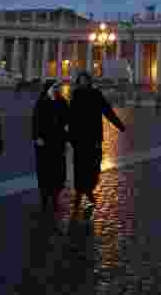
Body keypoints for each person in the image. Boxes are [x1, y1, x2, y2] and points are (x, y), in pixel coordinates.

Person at [68, 71, 126, 217]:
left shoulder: (96, 94)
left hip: (94, 138)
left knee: (94, 167)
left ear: (89, 81)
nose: (82, 82)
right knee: (79, 167)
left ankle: (88, 189)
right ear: (78, 82)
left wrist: (119, 125)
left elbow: (107, 111)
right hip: (79, 139)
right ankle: (79, 194)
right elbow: (70, 116)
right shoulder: (75, 95)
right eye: (80, 80)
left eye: (85, 80)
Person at [32, 80, 70, 211]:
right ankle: (44, 197)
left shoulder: (62, 102)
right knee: (44, 171)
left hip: (58, 143)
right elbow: (35, 121)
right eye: (54, 87)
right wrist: (37, 137)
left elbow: (68, 120)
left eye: (57, 87)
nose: (56, 89)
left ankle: (54, 197)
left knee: (57, 171)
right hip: (43, 143)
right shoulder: (41, 102)